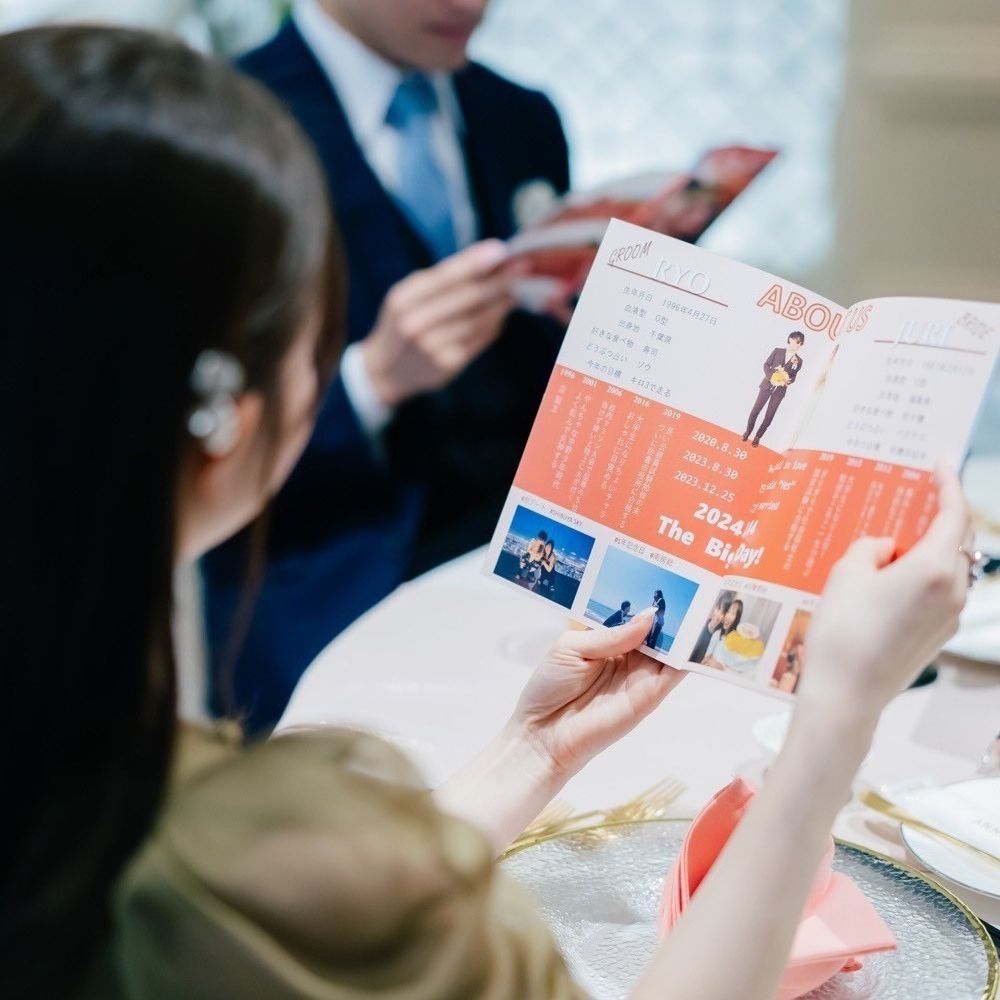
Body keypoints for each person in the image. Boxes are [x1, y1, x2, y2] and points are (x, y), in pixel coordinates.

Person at [0, 27, 976, 1000]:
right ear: (232, 417)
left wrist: (532, 750)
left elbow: (336, 907)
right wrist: (836, 717)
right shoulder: (183, 862)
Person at [202, 0, 571, 732]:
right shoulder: (221, 124)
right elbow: (177, 431)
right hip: (324, 582)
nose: (471, 5)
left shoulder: (520, 115)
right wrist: (370, 382)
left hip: (525, 578)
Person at [743, 330, 805, 447]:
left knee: (769, 416)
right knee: (755, 410)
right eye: (796, 341)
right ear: (790, 339)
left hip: (780, 391)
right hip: (767, 385)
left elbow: (793, 377)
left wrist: (787, 381)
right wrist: (771, 377)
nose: (797, 345)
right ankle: (748, 432)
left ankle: (758, 437)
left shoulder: (799, 361)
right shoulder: (778, 351)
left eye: (800, 343)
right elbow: (766, 365)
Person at [688, 593, 732, 663]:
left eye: (723, 613)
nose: (718, 615)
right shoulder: (700, 624)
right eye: (718, 608)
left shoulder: (720, 637)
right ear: (715, 606)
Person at [703, 598, 744, 667]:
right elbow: (707, 656)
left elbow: (735, 664)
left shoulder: (736, 639)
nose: (728, 616)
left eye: (733, 613)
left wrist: (719, 666)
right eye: (728, 611)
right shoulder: (717, 633)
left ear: (737, 618)